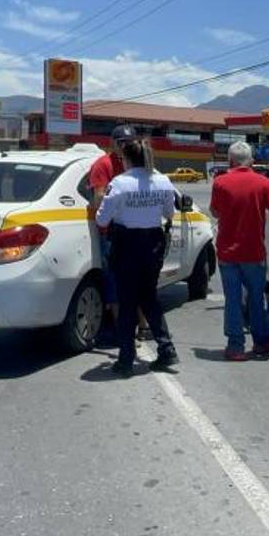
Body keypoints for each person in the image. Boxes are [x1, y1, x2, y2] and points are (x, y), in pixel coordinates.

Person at [95, 125, 179, 375]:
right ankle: (166, 349)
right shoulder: (162, 180)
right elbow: (169, 213)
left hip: (126, 243)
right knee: (149, 297)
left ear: (127, 158)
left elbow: (101, 220)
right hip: (153, 242)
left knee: (127, 301)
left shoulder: (119, 183)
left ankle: (125, 360)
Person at [209, 141, 269, 361]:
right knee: (256, 298)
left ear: (230, 161)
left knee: (232, 299)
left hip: (227, 252)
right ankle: (261, 340)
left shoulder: (220, 182)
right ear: (251, 161)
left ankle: (235, 346)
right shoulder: (263, 183)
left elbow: (215, 212)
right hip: (253, 253)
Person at [89, 127, 151, 343]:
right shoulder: (103, 165)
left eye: (128, 141)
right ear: (112, 142)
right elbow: (98, 201)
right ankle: (122, 331)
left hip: (138, 231)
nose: (124, 145)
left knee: (139, 281)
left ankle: (143, 326)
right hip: (113, 233)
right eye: (120, 141)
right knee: (116, 283)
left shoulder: (137, 164)